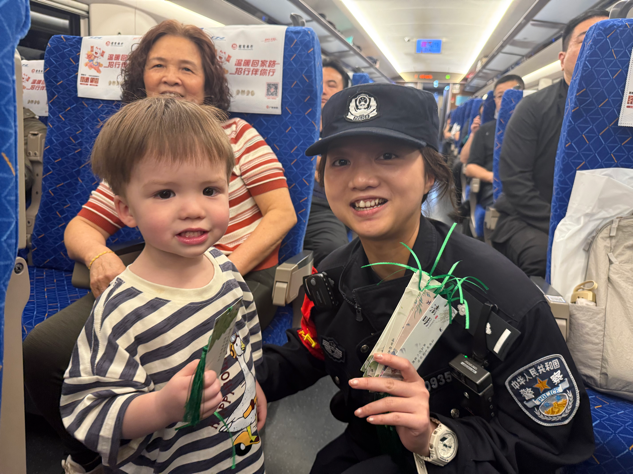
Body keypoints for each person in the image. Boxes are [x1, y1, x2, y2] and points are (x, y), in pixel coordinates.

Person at [256, 83, 594, 473]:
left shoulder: (503, 298)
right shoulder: (332, 276)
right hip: (368, 439)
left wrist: (434, 437)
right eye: (341, 161)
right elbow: (314, 351)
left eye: (387, 156)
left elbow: (547, 438)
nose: (360, 179)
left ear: (430, 175)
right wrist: (244, 382)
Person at [23, 20, 295, 473]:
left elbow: (281, 214)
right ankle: (106, 454)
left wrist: (226, 268)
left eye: (186, 68)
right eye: (159, 65)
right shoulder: (137, 152)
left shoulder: (236, 137)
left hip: (236, 266)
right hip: (159, 267)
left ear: (207, 82)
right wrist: (100, 256)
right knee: (45, 350)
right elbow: (81, 228)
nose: (171, 77)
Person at [60, 97, 266, 473]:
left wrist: (253, 386)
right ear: (126, 210)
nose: (193, 210)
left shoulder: (226, 270)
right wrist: (161, 407)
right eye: (165, 194)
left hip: (240, 454)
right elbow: (88, 409)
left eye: (210, 190)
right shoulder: (122, 307)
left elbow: (244, 339)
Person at [491, 10, 608, 277]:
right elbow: (516, 182)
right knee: (543, 256)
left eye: (609, 44)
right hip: (531, 219)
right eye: (587, 40)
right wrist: (565, 227)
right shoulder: (532, 107)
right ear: (562, 59)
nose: (601, 50)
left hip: (610, 226)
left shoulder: (624, 115)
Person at [303, 57, 350, 266]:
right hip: (282, 196)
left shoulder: (349, 130)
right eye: (319, 83)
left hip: (323, 204)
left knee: (333, 250)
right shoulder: (290, 124)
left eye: (332, 85)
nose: (323, 90)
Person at [464, 75, 525, 209]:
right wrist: (495, 177)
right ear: (495, 101)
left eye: (512, 95)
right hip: (494, 189)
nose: (506, 100)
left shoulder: (532, 128)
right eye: (500, 96)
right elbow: (470, 167)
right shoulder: (485, 130)